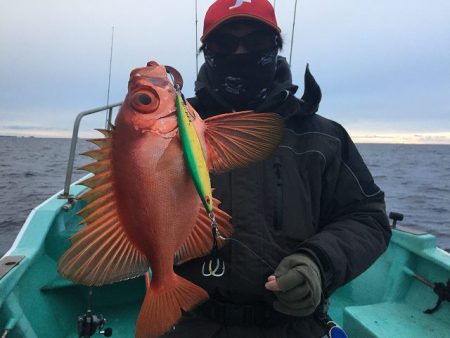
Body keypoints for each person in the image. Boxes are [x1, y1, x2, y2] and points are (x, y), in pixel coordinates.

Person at [167, 0, 392, 337]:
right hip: (191, 319)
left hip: (294, 324)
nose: (240, 53)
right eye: (224, 44)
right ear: (206, 52)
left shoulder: (322, 137)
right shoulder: (170, 132)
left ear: (276, 48)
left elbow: (368, 217)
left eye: (256, 42)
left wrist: (318, 264)